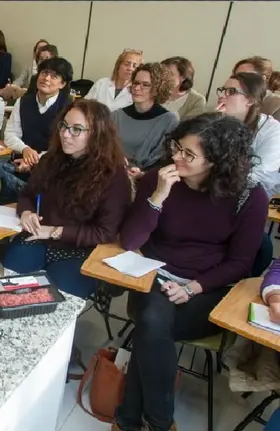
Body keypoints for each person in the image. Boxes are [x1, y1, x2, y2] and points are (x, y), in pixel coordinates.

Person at [113, 113, 268, 431]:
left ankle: (129, 421)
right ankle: (158, 424)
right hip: (154, 275)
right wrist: (158, 196)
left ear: (216, 161)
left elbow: (241, 263)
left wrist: (194, 287)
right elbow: (130, 241)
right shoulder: (160, 177)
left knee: (151, 328)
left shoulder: (249, 197)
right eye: (176, 147)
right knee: (154, 319)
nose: (176, 157)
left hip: (208, 288)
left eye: (189, 154)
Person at [2, 99, 132, 298]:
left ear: (97, 134)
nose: (65, 134)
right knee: (5, 283)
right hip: (38, 238)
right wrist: (27, 212)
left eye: (76, 129)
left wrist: (54, 231)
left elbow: (105, 232)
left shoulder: (113, 175)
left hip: (80, 250)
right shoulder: (51, 159)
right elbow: (28, 194)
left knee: (51, 299)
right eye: (64, 126)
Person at [4, 57, 74, 173]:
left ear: (62, 84)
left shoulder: (69, 108)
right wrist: (25, 149)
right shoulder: (23, 102)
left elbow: (64, 145)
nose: (46, 78)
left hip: (52, 167)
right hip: (20, 161)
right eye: (44, 73)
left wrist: (36, 160)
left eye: (54, 76)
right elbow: (10, 134)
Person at [216, 72, 280, 196]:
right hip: (213, 190)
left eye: (231, 91)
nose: (222, 96)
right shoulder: (216, 122)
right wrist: (213, 126)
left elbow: (261, 176)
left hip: (250, 196)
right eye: (222, 90)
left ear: (250, 100)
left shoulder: (272, 130)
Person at [111, 62, 178, 179]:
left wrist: (143, 174)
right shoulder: (116, 116)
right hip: (114, 173)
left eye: (145, 85)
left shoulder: (169, 120)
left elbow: (165, 159)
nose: (137, 88)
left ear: (158, 89)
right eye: (135, 83)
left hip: (149, 179)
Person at [233, 56, 280, 121]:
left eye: (246, 76)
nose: (238, 81)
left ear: (263, 79)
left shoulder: (276, 105)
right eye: (236, 77)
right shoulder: (232, 98)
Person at [160, 56, 206, 121]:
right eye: (161, 73)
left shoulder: (196, 100)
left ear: (183, 77)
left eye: (169, 74)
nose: (163, 77)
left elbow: (189, 127)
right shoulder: (154, 91)